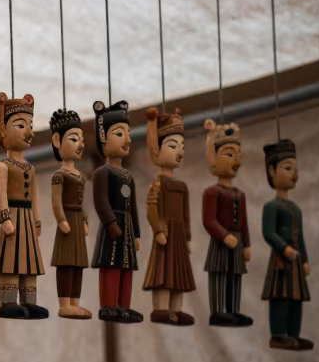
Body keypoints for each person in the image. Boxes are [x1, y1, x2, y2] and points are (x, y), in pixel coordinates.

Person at [0, 93, 46, 319]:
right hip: (13, 217)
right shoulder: (1, 167)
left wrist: (38, 219)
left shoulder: (30, 168)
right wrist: (4, 218)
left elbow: (35, 197)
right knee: (11, 262)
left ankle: (29, 301)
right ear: (3, 129)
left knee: (29, 264)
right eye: (21, 125)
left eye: (30, 125)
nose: (29, 131)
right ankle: (7, 302)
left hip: (27, 219)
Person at [90, 100, 143, 323]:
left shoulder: (128, 176)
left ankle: (125, 305)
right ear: (104, 137)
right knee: (110, 267)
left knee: (126, 268)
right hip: (113, 227)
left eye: (128, 133)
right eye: (120, 133)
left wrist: (137, 232)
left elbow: (134, 208)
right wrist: (111, 223)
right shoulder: (102, 173)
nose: (128, 139)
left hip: (127, 228)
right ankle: (109, 305)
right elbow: (100, 201)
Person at [142, 108, 196, 325]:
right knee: (164, 274)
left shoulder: (182, 186)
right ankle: (161, 309)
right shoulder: (158, 182)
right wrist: (157, 229)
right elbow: (151, 207)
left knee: (179, 275)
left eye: (181, 147)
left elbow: (186, 214)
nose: (179, 152)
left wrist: (188, 237)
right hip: (165, 232)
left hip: (179, 234)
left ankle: (176, 309)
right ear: (157, 151)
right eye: (173, 146)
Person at [261, 139, 312, 351]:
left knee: (296, 299)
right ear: (272, 170)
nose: (294, 174)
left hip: (296, 260)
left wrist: (305, 259)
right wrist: (284, 248)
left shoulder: (296, 209)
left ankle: (293, 335)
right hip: (282, 260)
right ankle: (279, 335)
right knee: (281, 297)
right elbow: (268, 233)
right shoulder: (271, 207)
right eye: (287, 168)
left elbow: (300, 237)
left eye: (295, 169)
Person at [201, 119, 253, 327]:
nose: (236, 160)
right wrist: (224, 235)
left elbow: (244, 222)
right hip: (222, 241)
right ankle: (218, 311)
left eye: (237, 155)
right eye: (229, 154)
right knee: (219, 275)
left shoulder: (240, 194)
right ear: (214, 158)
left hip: (237, 240)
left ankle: (233, 310)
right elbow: (208, 221)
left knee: (235, 276)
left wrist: (246, 244)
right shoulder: (212, 192)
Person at [49, 108, 92, 319]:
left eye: (81, 139)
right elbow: (56, 202)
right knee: (66, 263)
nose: (81, 144)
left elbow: (82, 203)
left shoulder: (80, 175)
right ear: (57, 140)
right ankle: (64, 303)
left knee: (78, 263)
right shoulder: (60, 175)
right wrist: (61, 220)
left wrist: (84, 221)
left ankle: (75, 302)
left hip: (76, 220)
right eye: (74, 139)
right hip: (67, 220)